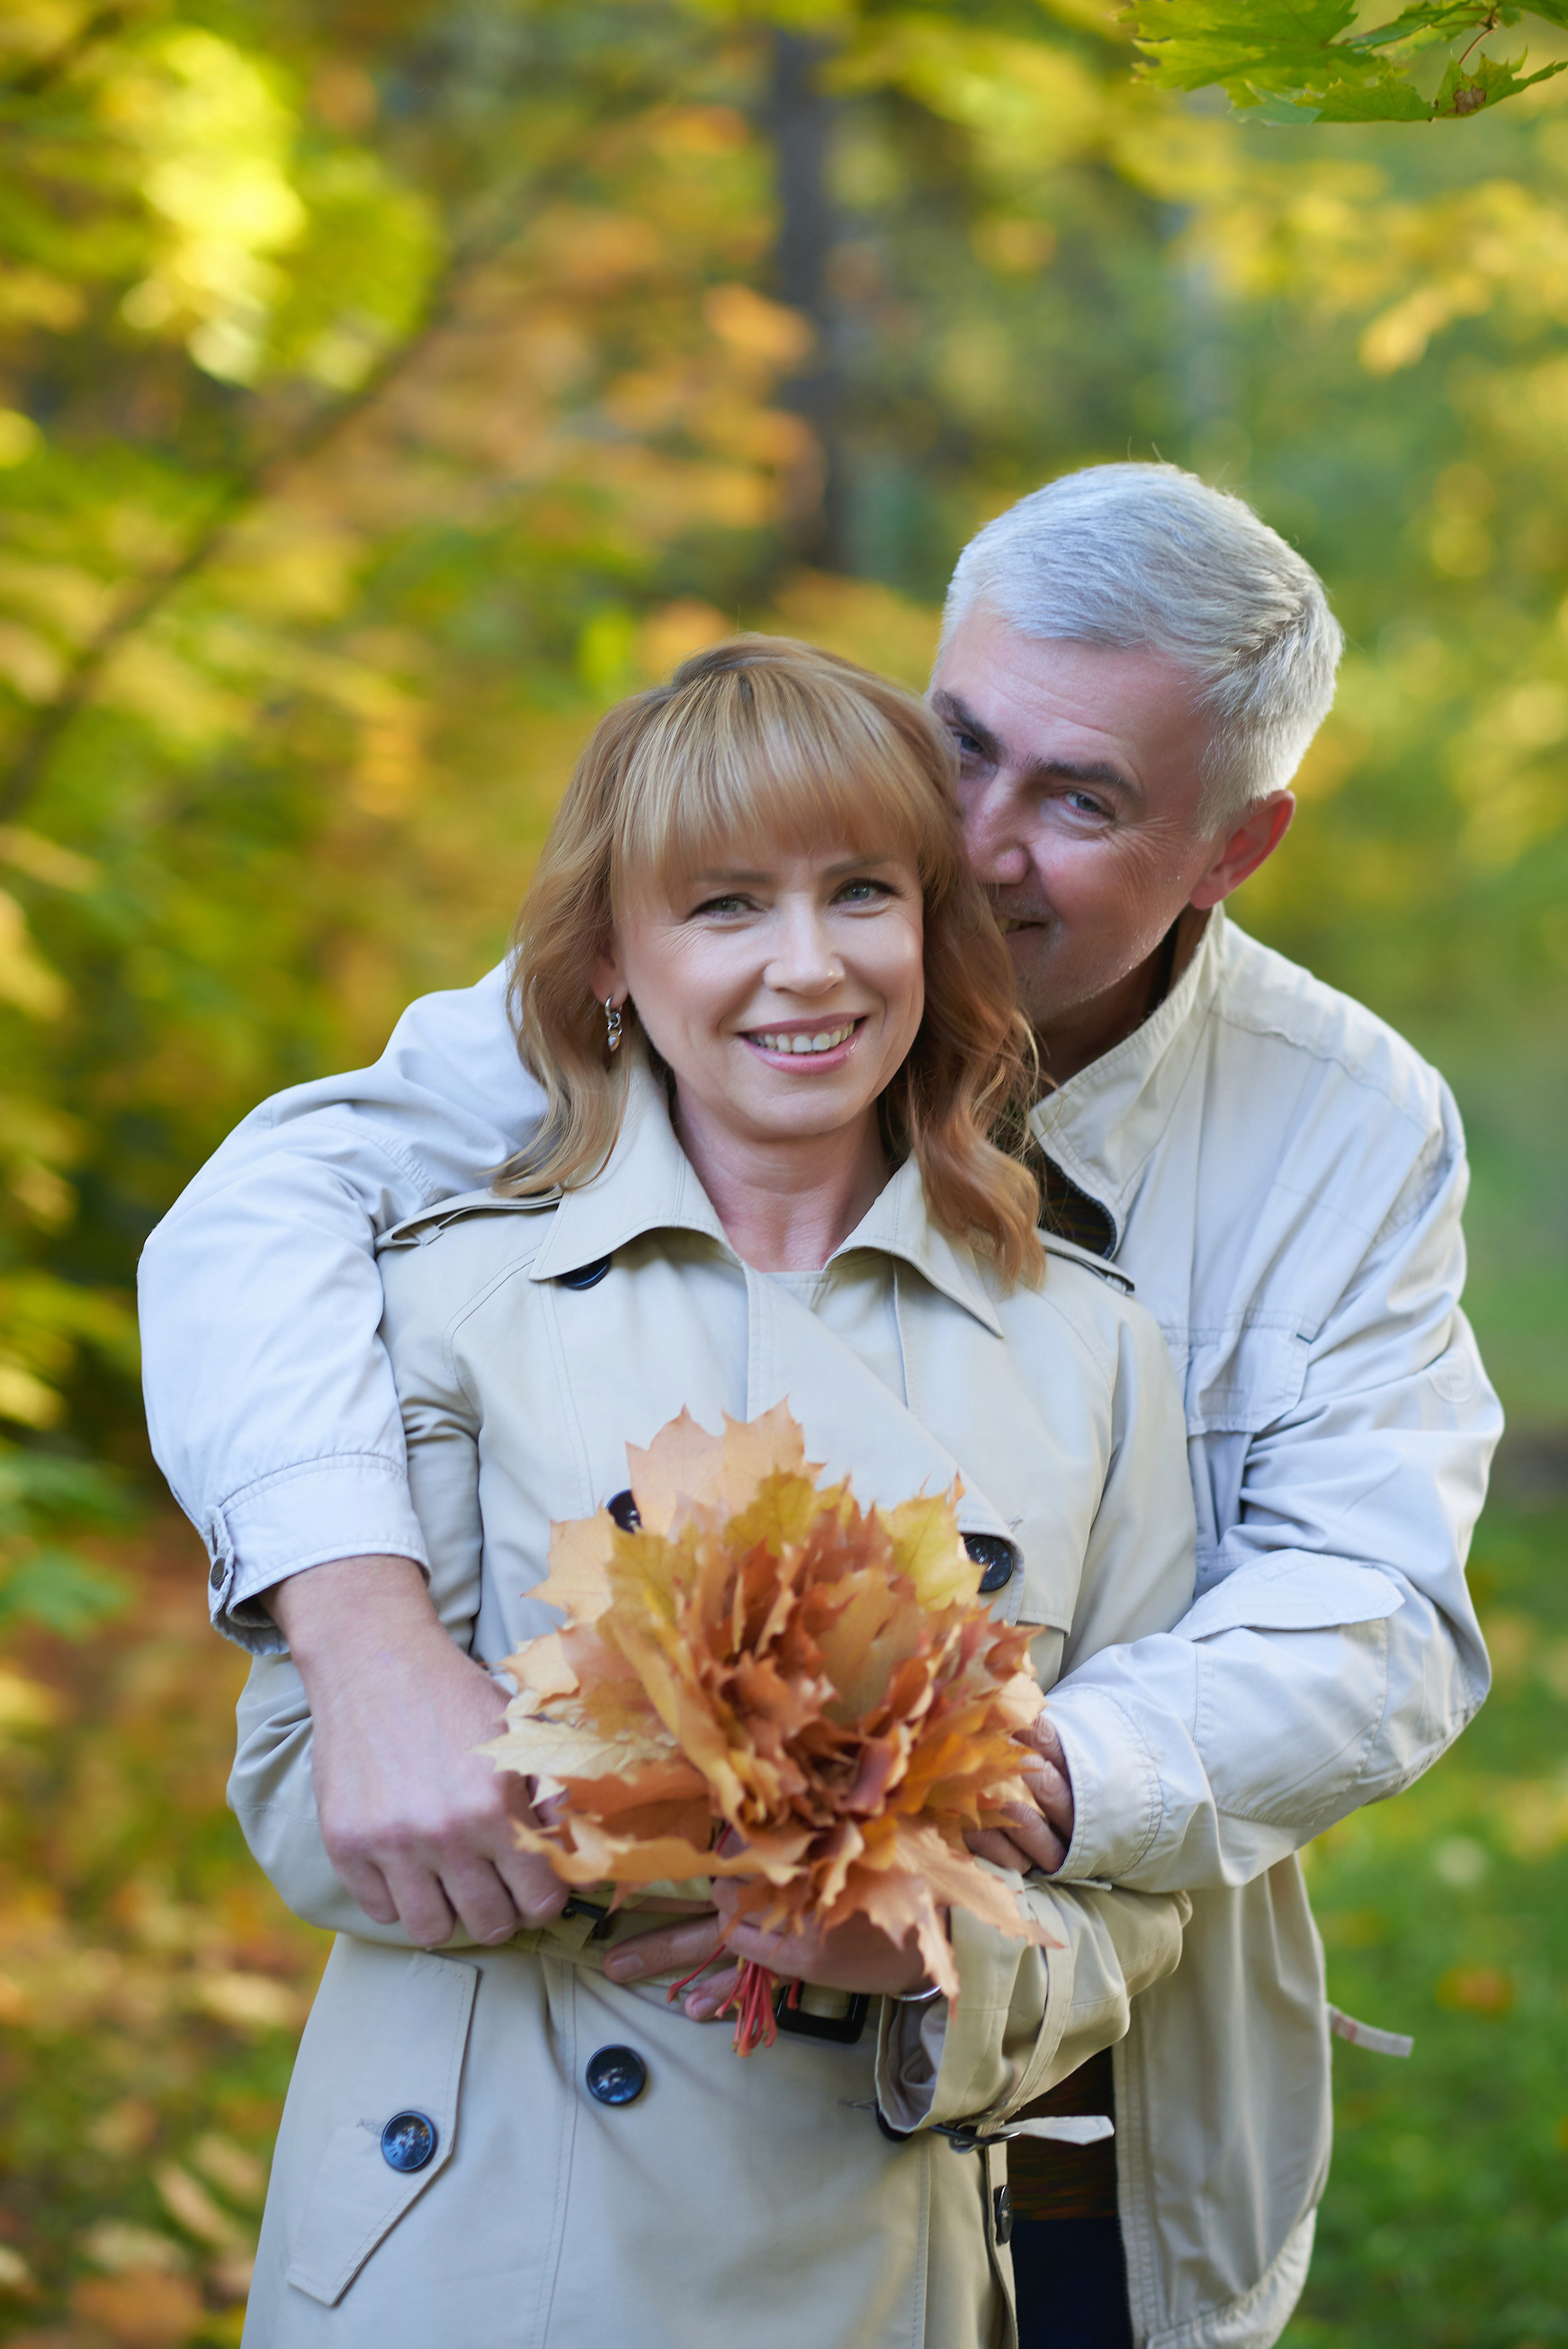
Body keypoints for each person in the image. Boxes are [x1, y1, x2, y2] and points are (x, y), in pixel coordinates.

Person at [140, 462, 1502, 2349]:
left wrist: (962, 1807)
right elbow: (263, 1211)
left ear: (1232, 849)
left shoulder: (1330, 1129)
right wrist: (366, 1640)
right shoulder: (667, 1000)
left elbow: (1371, 1610)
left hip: (1045, 2088)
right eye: (959, 748)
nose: (975, 843)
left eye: (1083, 800)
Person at [229, 638, 1194, 2347]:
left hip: (864, 2245)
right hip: (471, 2227)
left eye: (862, 894)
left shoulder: (1093, 1347)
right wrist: (671, 1787)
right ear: (613, 956)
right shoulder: (447, 1297)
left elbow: (1137, 1897)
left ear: (933, 930)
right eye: (727, 905)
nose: (804, 967)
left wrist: (932, 1969)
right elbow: (311, 1790)